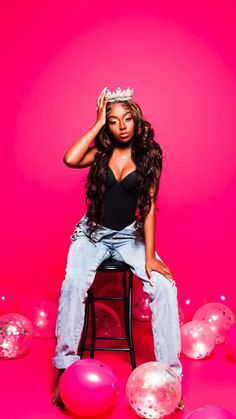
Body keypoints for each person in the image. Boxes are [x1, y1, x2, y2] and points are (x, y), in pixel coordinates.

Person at [52, 86, 184, 410]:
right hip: (92, 234)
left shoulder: (150, 155)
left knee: (165, 287)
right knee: (72, 285)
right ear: (107, 125)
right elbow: (69, 158)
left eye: (127, 118)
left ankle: (171, 378)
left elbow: (149, 205)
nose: (121, 125)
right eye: (113, 121)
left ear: (136, 121)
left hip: (130, 236)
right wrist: (96, 123)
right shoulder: (99, 152)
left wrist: (150, 256)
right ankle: (65, 371)